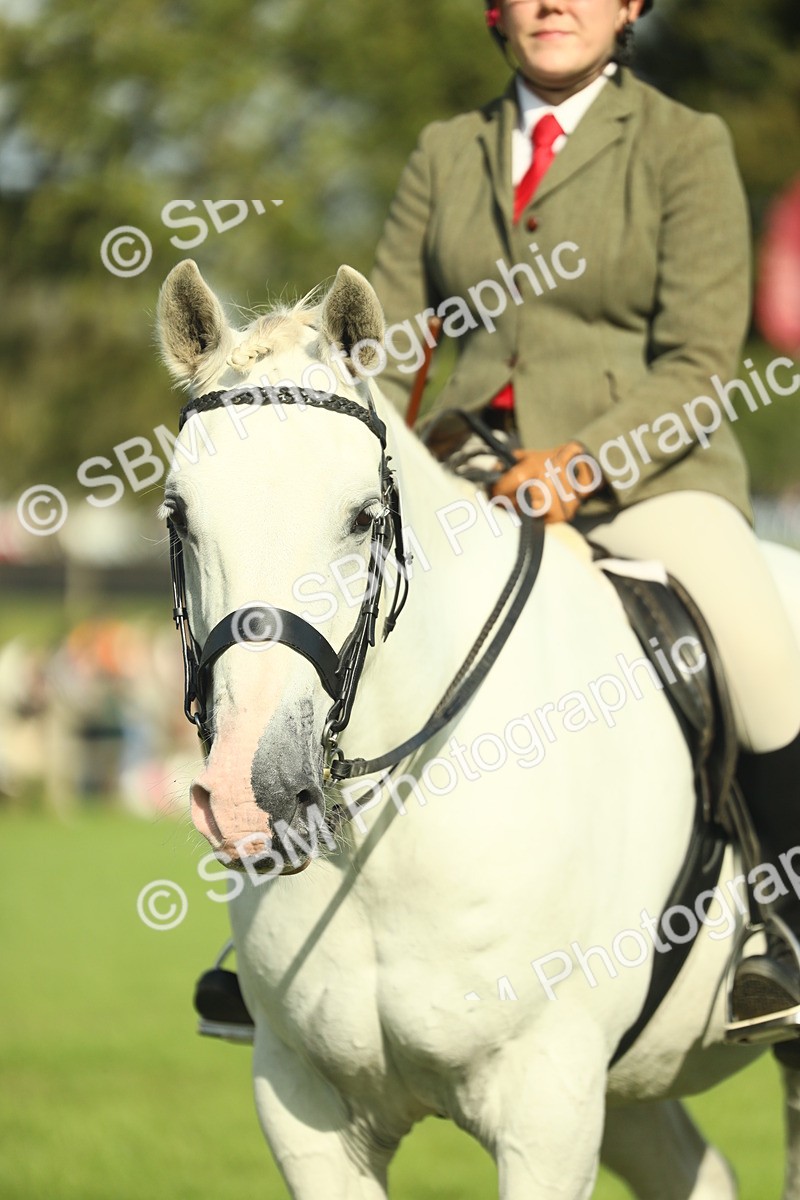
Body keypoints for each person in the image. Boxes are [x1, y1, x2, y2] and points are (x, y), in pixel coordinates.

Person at [369, 0, 800, 1058]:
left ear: (629, 7)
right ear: (494, 11)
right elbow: (384, 342)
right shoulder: (443, 150)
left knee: (763, 665)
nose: (553, 1)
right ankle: (279, 951)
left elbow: (700, 364)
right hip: (465, 477)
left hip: (649, 479)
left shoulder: (682, 142)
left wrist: (580, 461)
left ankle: (785, 938)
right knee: (336, 632)